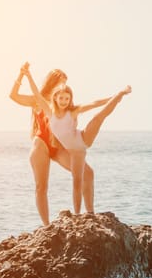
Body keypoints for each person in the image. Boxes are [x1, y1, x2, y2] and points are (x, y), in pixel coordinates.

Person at [21, 63, 132, 214]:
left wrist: (113, 97)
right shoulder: (49, 112)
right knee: (77, 181)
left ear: (70, 99)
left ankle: (120, 95)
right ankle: (80, 215)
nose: (64, 101)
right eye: (61, 98)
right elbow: (37, 94)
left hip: (83, 139)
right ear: (55, 98)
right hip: (76, 152)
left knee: (98, 117)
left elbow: (94, 104)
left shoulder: (72, 111)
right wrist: (27, 75)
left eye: (67, 98)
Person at [9, 63, 95, 226]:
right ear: (53, 82)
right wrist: (21, 75)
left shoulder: (63, 101)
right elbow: (13, 95)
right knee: (42, 187)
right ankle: (47, 225)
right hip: (41, 144)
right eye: (61, 82)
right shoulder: (37, 100)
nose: (64, 86)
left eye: (65, 83)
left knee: (88, 173)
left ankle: (90, 214)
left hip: (58, 148)